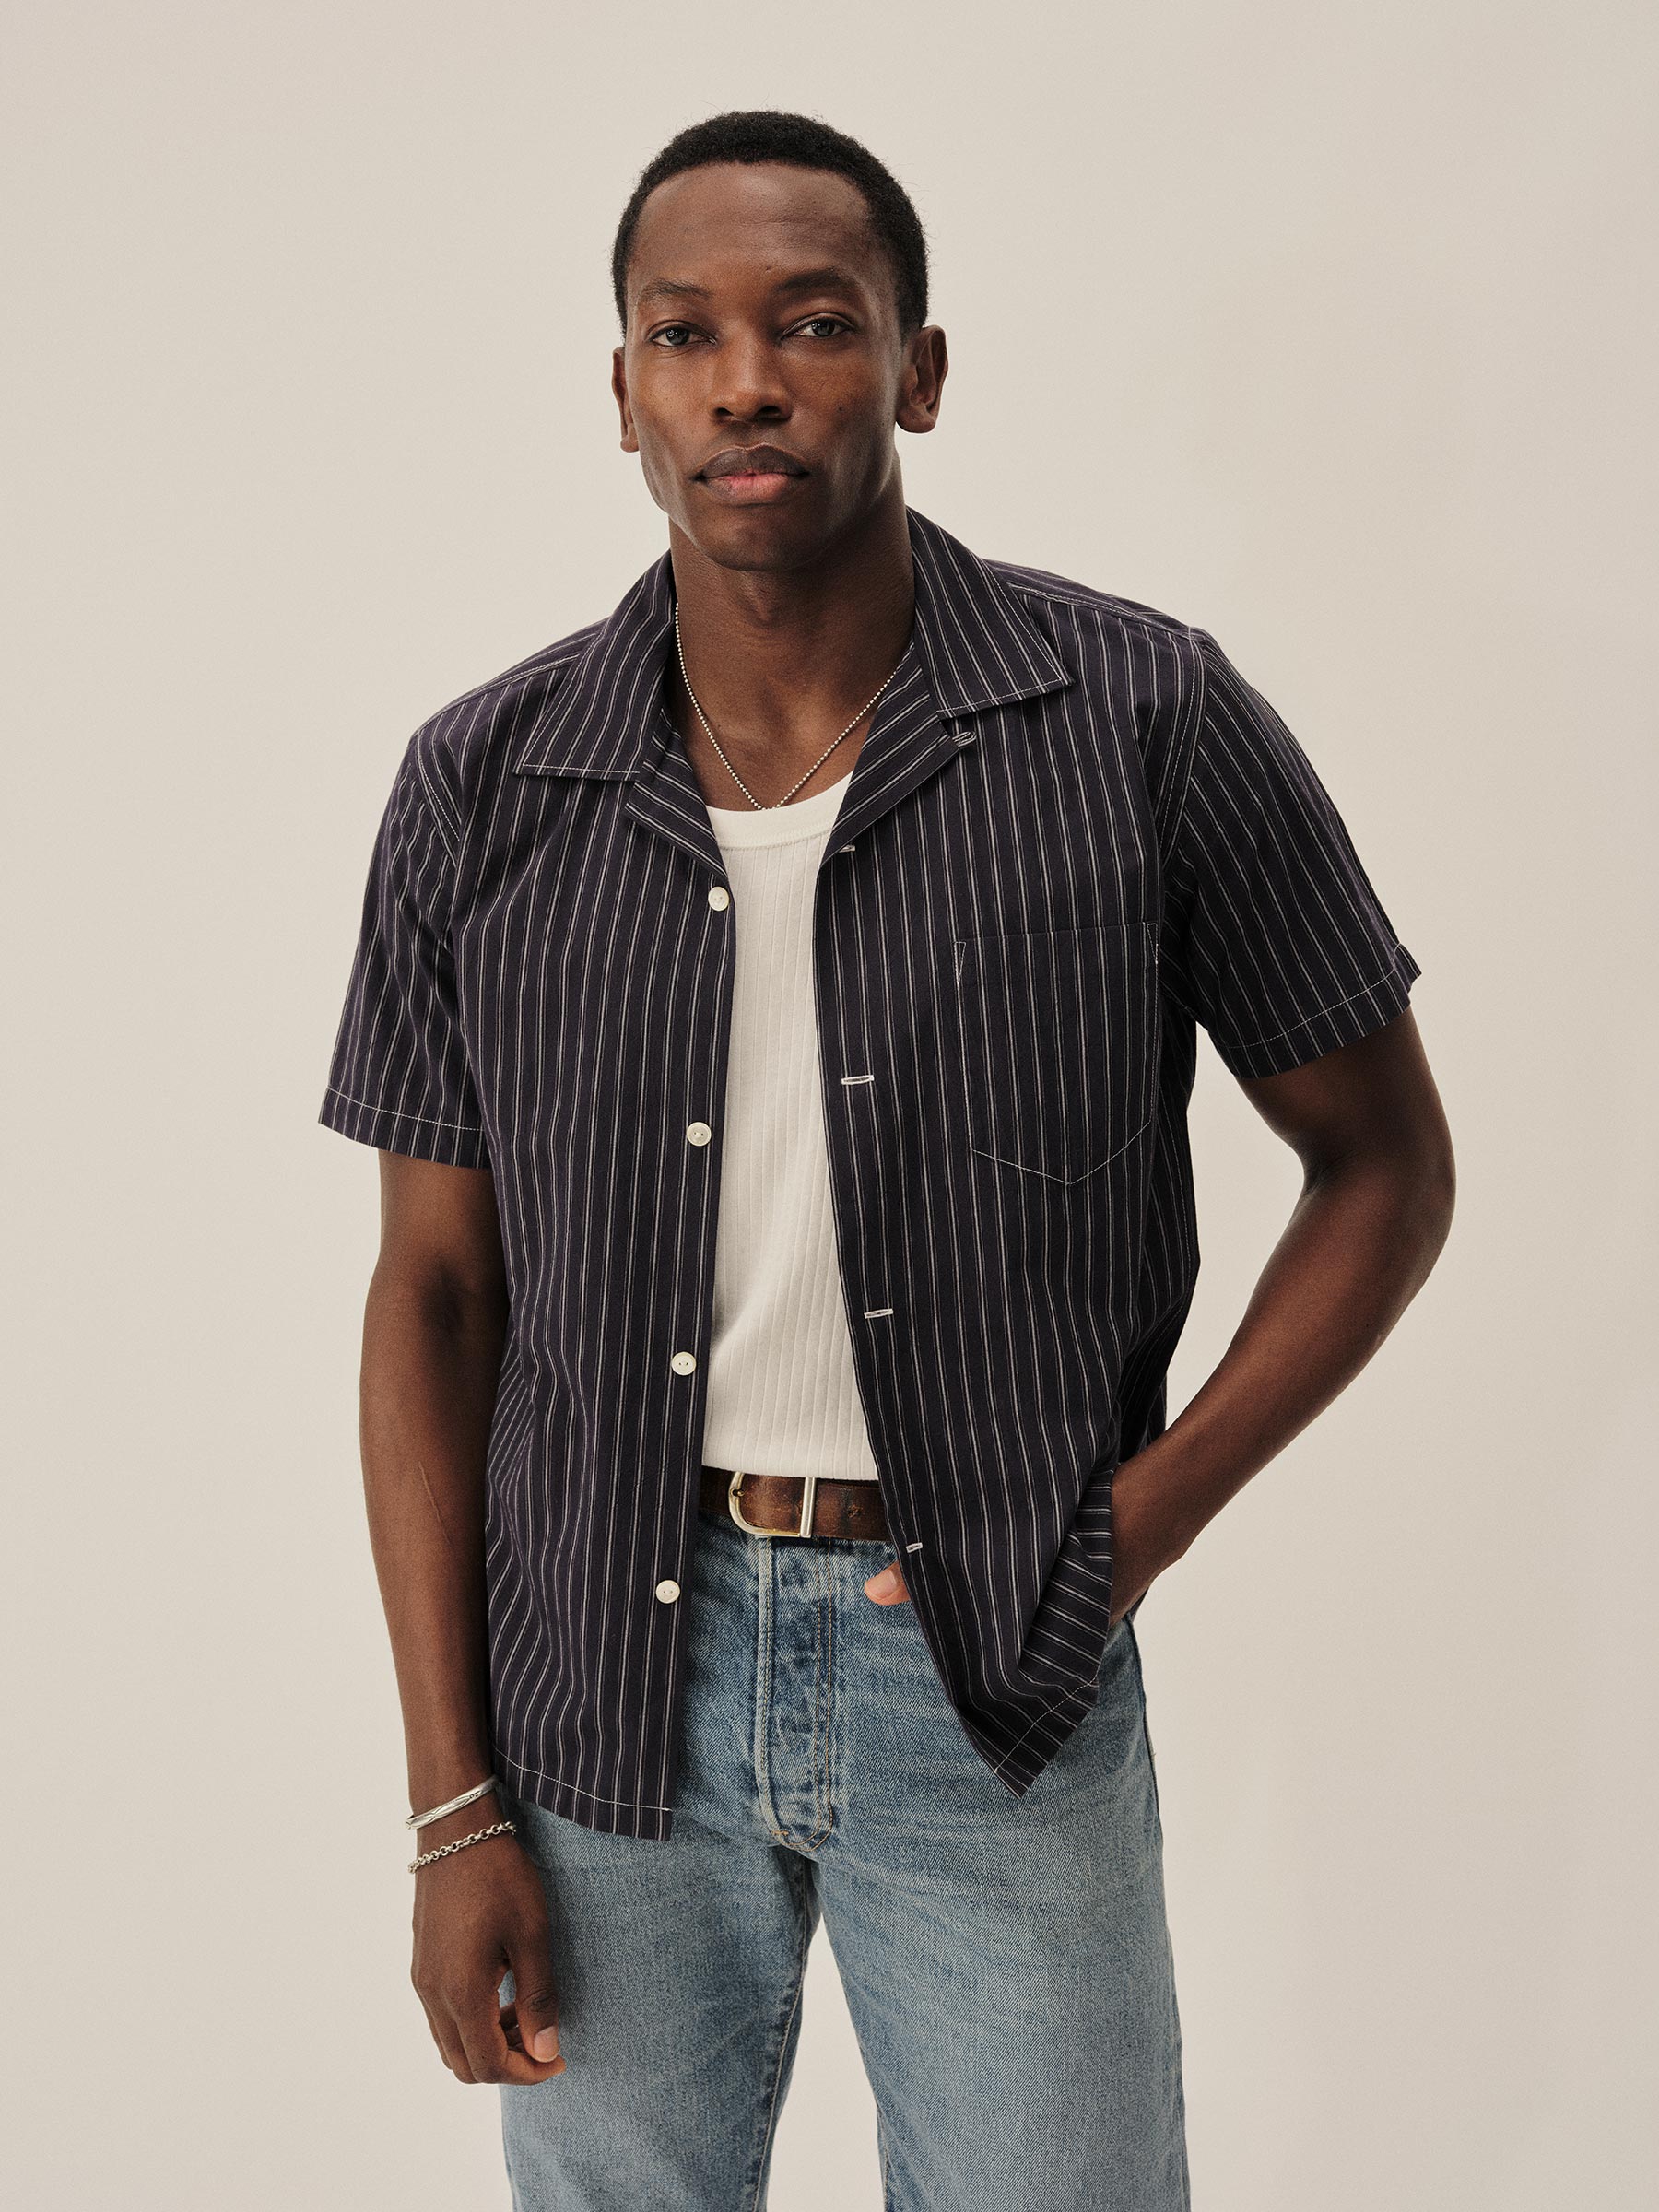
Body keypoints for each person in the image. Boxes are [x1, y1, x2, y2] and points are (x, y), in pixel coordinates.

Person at [316, 107, 1454, 2212]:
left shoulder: (1142, 721)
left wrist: (1136, 1530)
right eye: (685, 334)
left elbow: (1385, 1166)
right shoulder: (484, 784)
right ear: (624, 396)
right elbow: (437, 1294)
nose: (746, 381)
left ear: (919, 372)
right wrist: (451, 1806)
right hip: (603, 1685)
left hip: (991, 1658)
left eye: (816, 324)